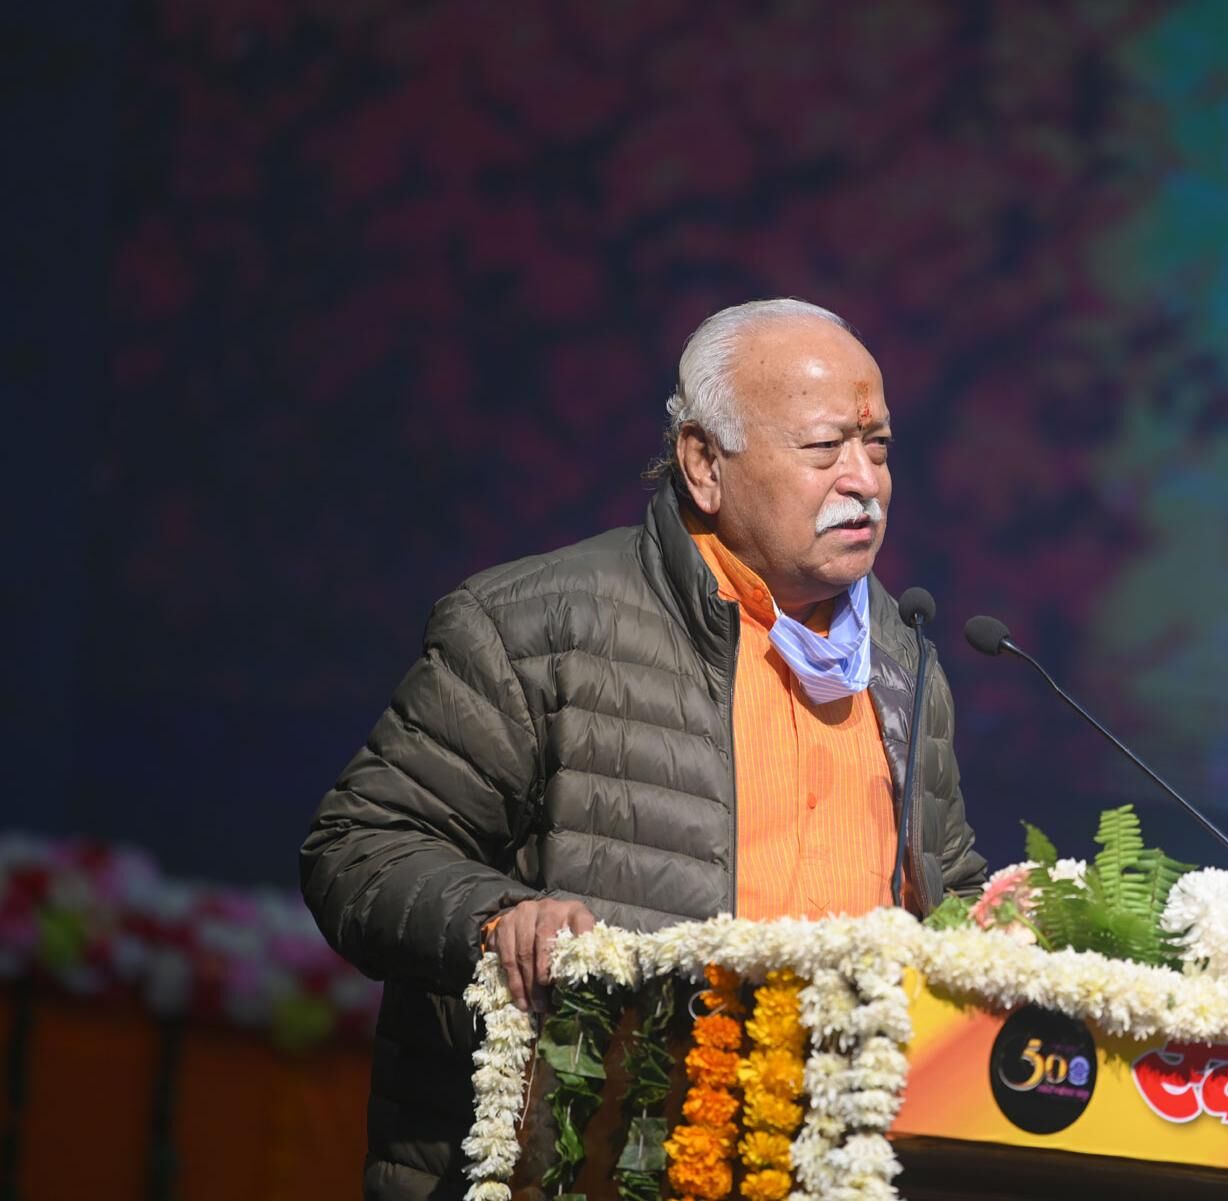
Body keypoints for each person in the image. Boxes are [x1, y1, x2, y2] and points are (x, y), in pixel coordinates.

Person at [300, 297, 986, 1201]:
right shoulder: (536, 625)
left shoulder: (902, 660)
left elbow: (943, 891)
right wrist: (499, 921)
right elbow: (358, 849)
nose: (865, 481)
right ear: (704, 463)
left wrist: (1014, 927)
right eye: (826, 448)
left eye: (880, 446)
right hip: (589, 1161)